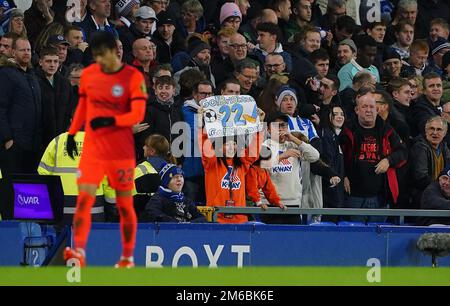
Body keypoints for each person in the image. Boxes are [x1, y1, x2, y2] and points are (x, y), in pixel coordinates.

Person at [63, 31, 148, 268]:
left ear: (116, 51)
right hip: (93, 148)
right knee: (84, 200)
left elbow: (137, 114)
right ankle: (78, 251)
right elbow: (83, 105)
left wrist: (112, 122)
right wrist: (72, 134)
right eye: (96, 55)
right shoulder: (90, 75)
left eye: (103, 55)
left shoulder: (133, 77)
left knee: (123, 203)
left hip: (120, 150)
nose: (99, 60)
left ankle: (127, 257)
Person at [340, 88, 408, 222]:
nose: (369, 110)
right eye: (364, 106)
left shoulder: (387, 130)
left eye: (372, 107)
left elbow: (403, 152)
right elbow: (337, 157)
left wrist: (388, 160)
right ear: (357, 110)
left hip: (379, 197)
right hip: (353, 196)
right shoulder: (347, 131)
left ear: (377, 110)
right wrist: (343, 175)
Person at [200, 107, 265, 224]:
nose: (232, 147)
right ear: (219, 147)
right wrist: (201, 123)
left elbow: (254, 148)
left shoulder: (241, 163)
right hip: (217, 220)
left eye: (234, 144)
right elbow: (205, 145)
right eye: (227, 144)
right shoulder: (212, 164)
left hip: (240, 220)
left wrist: (259, 124)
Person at [38, 131, 108, 223]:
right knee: (91, 236)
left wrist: (49, 198)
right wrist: (112, 204)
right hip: (92, 208)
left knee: (62, 236)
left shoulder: (58, 141)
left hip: (61, 207)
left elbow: (42, 172)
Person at [263, 111, 320, 224]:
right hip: (269, 203)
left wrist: (294, 139)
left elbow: (315, 156)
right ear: (268, 130)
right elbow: (262, 165)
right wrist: (283, 156)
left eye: (283, 125)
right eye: (276, 126)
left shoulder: (293, 145)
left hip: (293, 202)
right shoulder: (264, 145)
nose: (280, 129)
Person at [0, 37, 42, 176]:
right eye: (22, 50)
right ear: (13, 52)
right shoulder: (5, 74)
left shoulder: (32, 75)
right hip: (15, 145)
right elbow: (1, 108)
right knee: (11, 189)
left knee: (28, 190)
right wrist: (8, 139)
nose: (26, 53)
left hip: (32, 145)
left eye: (28, 50)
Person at [182, 80, 213, 204]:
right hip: (192, 169)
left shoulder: (217, 111)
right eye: (203, 94)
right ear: (195, 95)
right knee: (191, 207)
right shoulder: (187, 111)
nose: (207, 97)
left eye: (209, 94)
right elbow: (195, 135)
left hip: (210, 171)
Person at [142, 163, 207, 223]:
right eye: (175, 177)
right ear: (166, 182)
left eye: (181, 176)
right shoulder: (158, 198)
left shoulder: (186, 200)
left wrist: (189, 224)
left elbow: (202, 218)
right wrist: (175, 224)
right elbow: (152, 213)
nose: (179, 179)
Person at [37, 47, 75, 147]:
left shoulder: (65, 83)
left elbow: (70, 108)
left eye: (55, 61)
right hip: (39, 139)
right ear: (41, 62)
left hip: (61, 137)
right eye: (48, 61)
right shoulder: (33, 80)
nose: (52, 65)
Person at [410, 116, 450, 209]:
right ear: (426, 131)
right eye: (431, 129)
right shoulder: (420, 147)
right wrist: (443, 185)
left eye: (439, 129)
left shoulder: (443, 147)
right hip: (422, 196)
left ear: (444, 133)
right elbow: (421, 178)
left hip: (440, 192)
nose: (435, 133)